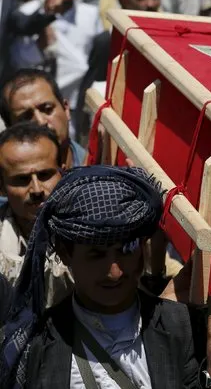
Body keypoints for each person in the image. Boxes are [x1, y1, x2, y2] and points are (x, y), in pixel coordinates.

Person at [0, 165, 200, 388]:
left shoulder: (180, 326)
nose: (114, 272)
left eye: (126, 250)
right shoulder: (36, 346)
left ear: (143, 247)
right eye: (96, 255)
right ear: (66, 253)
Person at [11, 0, 102, 135]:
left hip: (80, 100)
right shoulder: (29, 13)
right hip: (43, 104)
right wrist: (41, 41)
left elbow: (95, 58)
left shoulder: (89, 13)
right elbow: (18, 59)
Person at [0, 122, 73, 307]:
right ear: (1, 186)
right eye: (22, 179)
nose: (36, 189)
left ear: (63, 171)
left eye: (45, 175)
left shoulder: (89, 232)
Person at [0, 68, 87, 168]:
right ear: (10, 128)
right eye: (26, 118)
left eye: (47, 109)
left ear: (66, 109)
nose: (41, 122)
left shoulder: (100, 166)